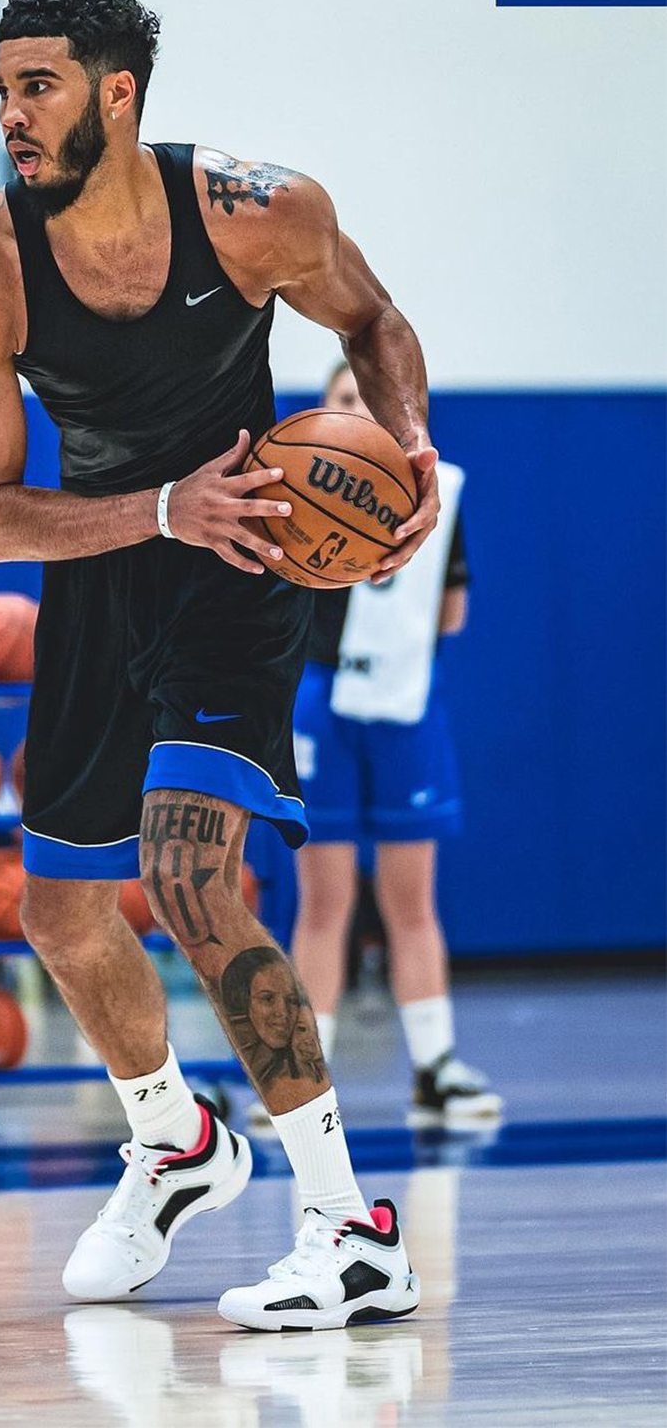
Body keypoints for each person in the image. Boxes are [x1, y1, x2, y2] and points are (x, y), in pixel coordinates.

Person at [0, 0, 440, 1332]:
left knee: (190, 875)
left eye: (36, 87)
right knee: (57, 914)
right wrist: (155, 508)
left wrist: (411, 450)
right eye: (2, 89)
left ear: (117, 92)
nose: (11, 115)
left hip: (250, 553)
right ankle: (175, 1140)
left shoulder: (258, 213)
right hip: (103, 562)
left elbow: (374, 324)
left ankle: (348, 1226)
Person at [289, 362, 501, 1123]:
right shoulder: (292, 484)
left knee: (412, 900)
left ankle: (436, 1067)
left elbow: (452, 613)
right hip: (321, 698)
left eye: (369, 400)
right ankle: (301, 1084)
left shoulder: (439, 494)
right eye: (343, 399)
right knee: (324, 903)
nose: (357, 410)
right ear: (322, 410)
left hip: (406, 701)